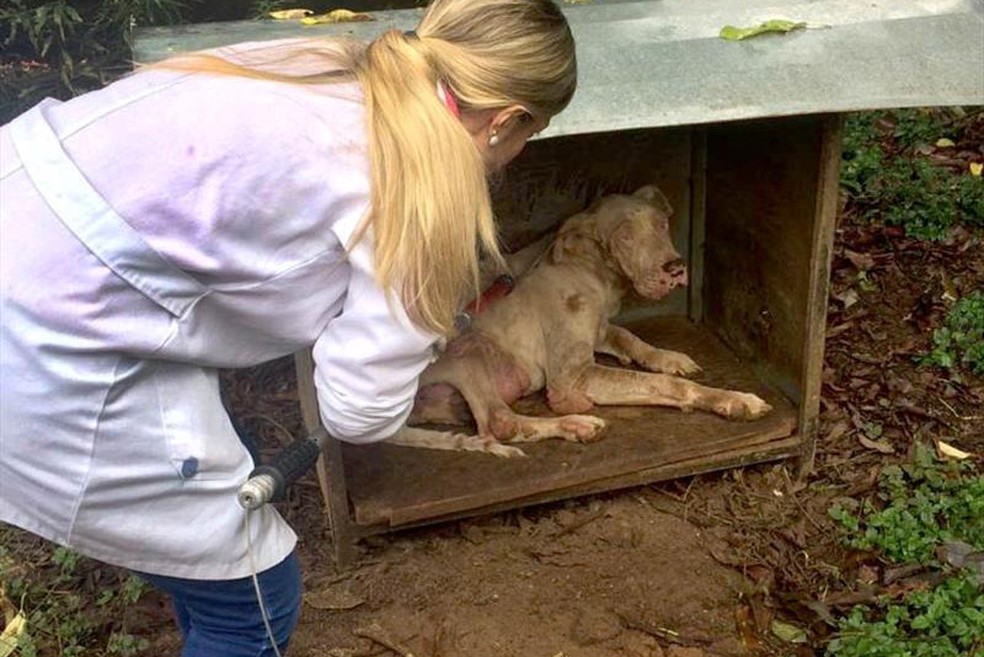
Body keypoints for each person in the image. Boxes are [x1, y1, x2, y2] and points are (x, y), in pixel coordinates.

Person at [0, 0, 577, 654]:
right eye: (533, 134)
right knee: (253, 599)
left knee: (212, 553)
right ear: (505, 121)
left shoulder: (319, 62)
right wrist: (415, 358)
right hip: (46, 333)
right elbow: (357, 410)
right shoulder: (423, 188)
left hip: (23, 201)